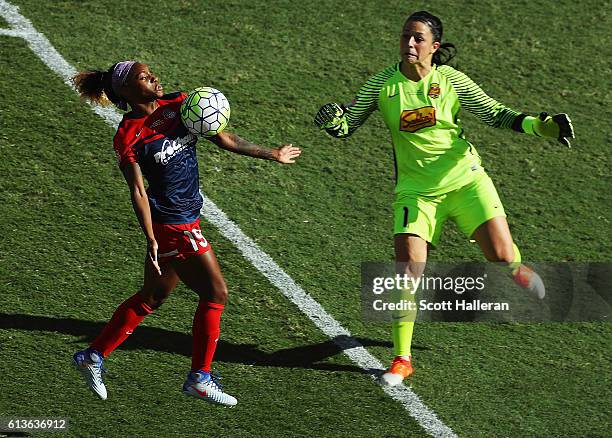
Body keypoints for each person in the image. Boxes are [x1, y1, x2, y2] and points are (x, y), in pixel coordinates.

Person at [314, 11, 574, 386]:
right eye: (406, 36)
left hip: (466, 182)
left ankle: (518, 270)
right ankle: (402, 359)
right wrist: (333, 122)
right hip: (416, 193)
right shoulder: (382, 85)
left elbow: (495, 114)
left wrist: (540, 126)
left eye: (418, 38)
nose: (409, 43)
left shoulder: (451, 81)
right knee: (408, 270)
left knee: (501, 257)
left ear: (434, 47)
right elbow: (348, 125)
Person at [72, 61, 301, 405]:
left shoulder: (181, 103)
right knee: (216, 293)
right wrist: (151, 236)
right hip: (175, 224)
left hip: (183, 218)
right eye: (143, 76)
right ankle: (199, 377)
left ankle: (92, 356)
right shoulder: (128, 135)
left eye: (150, 72)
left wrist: (272, 154)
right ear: (127, 91)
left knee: (152, 297)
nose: (153, 77)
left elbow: (223, 137)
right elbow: (137, 191)